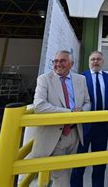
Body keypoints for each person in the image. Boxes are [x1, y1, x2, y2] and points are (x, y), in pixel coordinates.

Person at [31, 50, 91, 187]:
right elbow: (39, 106)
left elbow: (88, 101)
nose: (58, 64)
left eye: (62, 61)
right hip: (55, 136)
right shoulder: (44, 79)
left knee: (69, 172)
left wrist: (82, 111)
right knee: (61, 178)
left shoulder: (80, 79)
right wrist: (70, 112)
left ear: (71, 64)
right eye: (55, 61)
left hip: (75, 134)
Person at [71, 51, 108, 187]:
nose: (95, 61)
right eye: (93, 59)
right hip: (83, 127)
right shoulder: (80, 77)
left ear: (102, 61)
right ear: (89, 61)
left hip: (102, 127)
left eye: (98, 59)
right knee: (79, 163)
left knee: (99, 163)